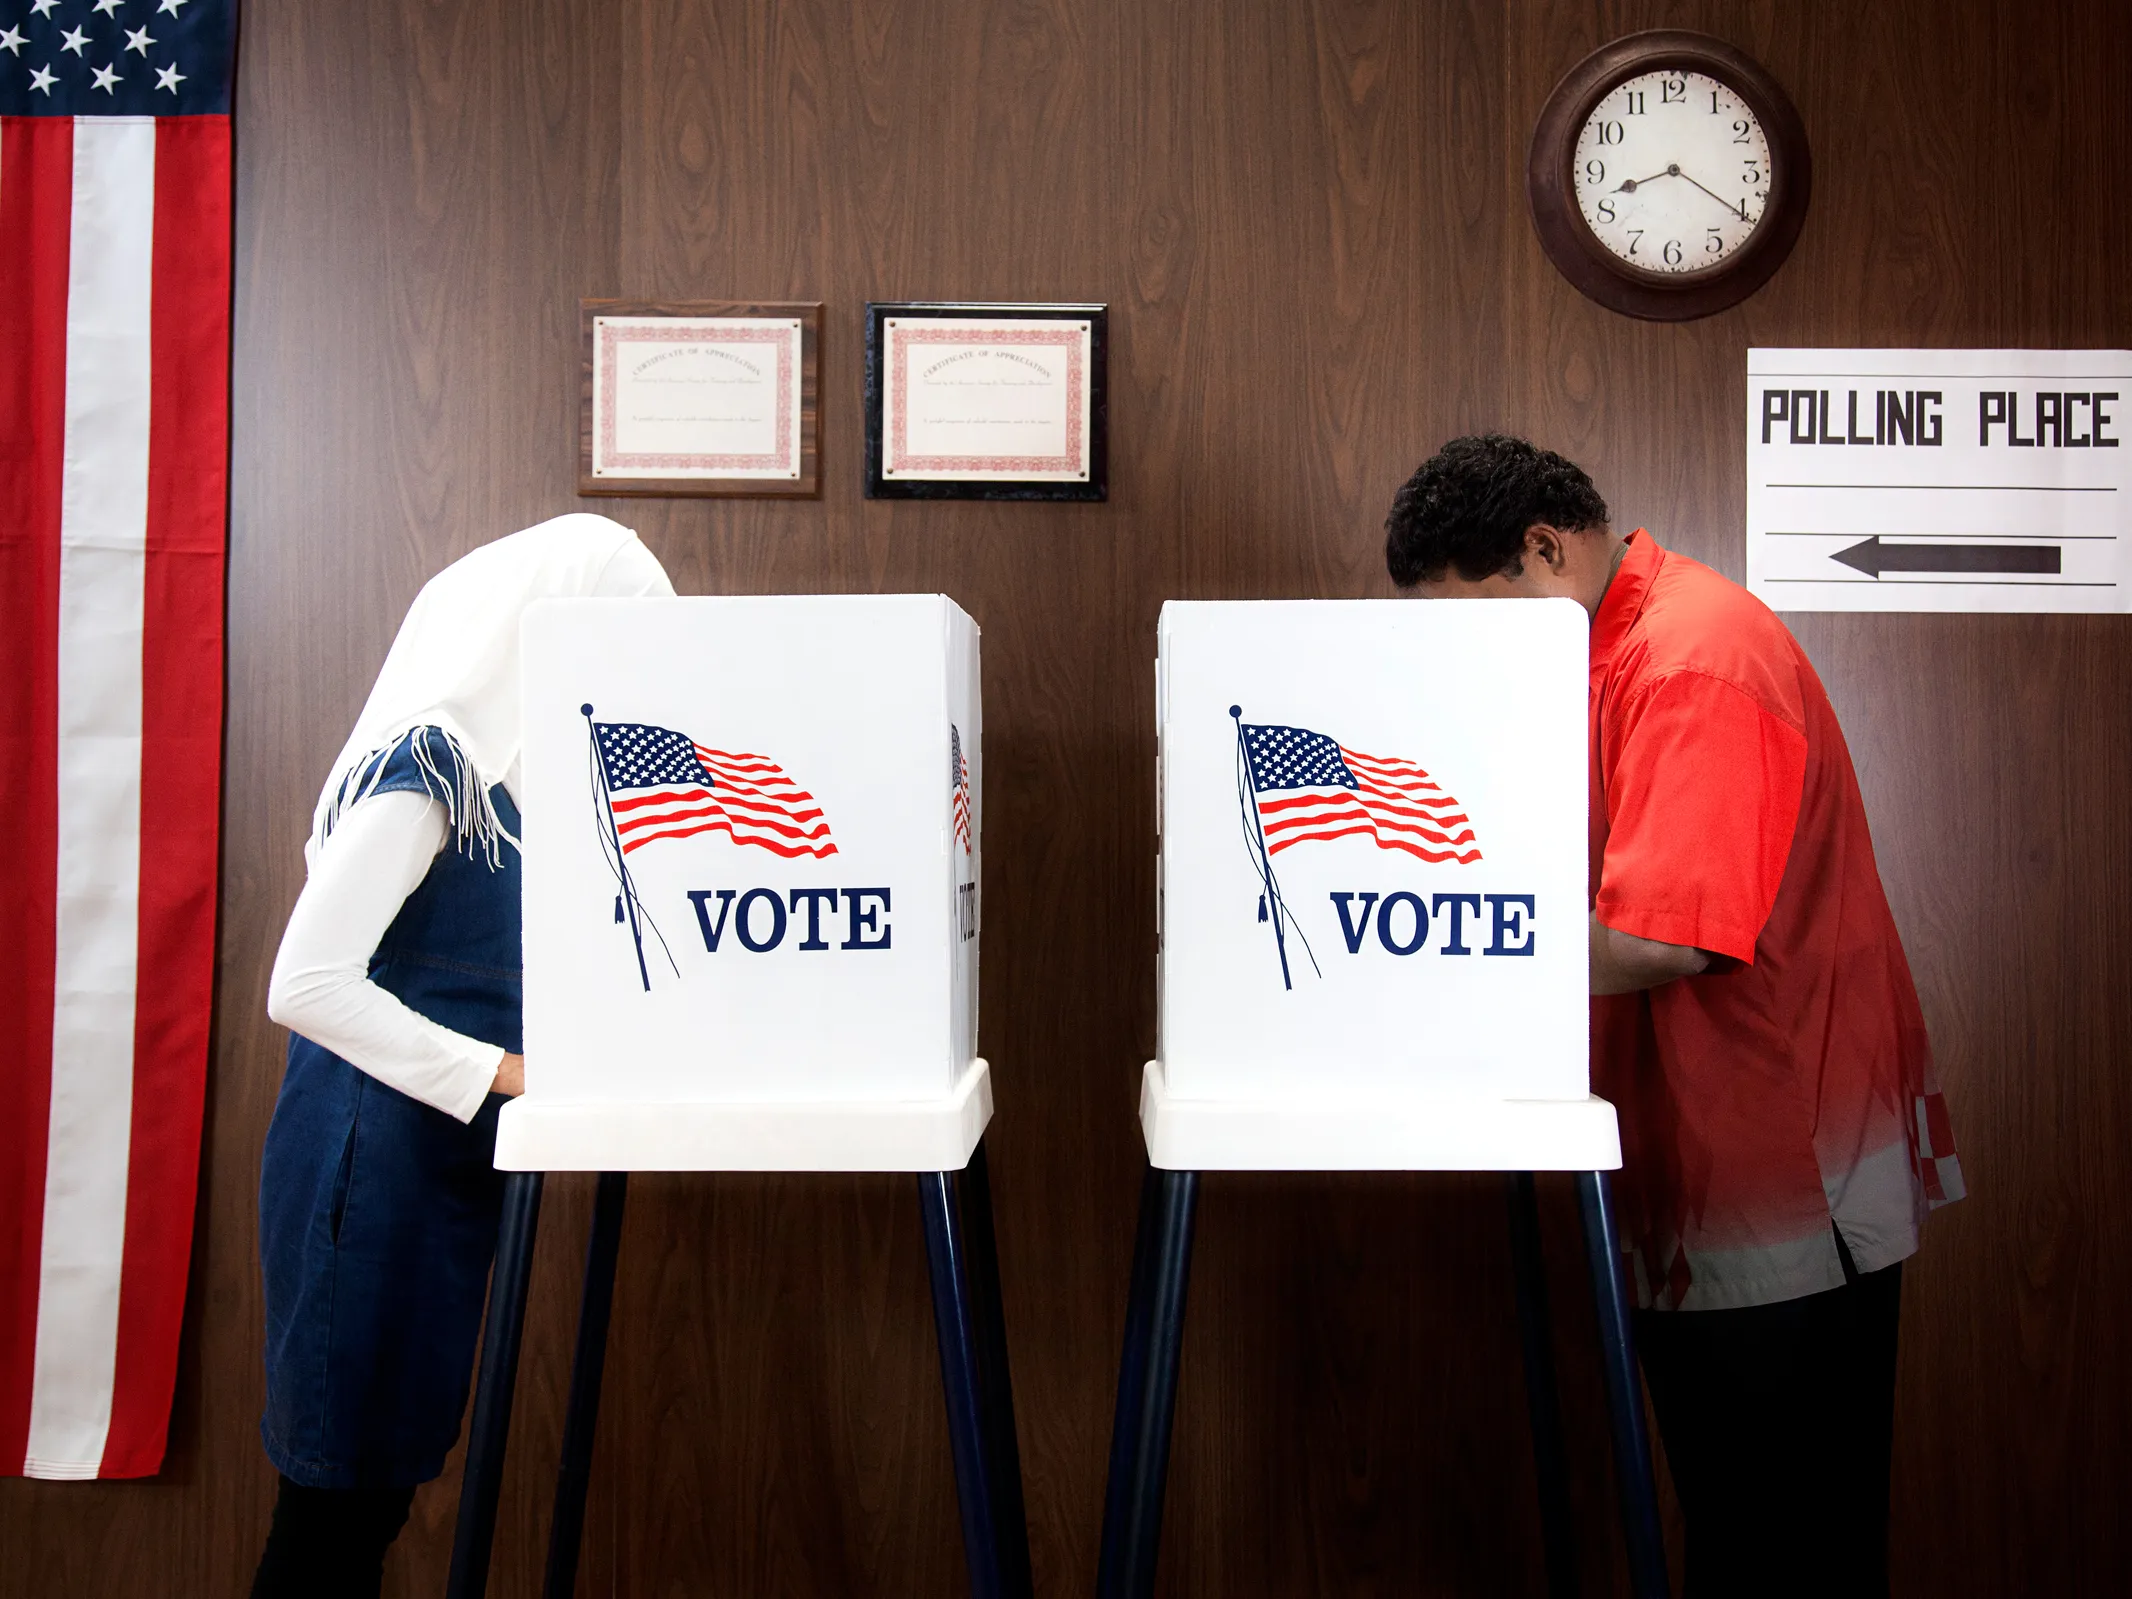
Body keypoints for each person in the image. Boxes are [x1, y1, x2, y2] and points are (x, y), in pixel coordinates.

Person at [1384, 435, 1964, 1598]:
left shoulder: (1690, 657)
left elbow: (1666, 936)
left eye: (1470, 621)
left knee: (1779, 1540)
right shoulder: (1605, 653)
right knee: (1738, 1519)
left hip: (1772, 1162)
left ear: (1543, 550)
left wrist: (1430, 947)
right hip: (1692, 1152)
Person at [252, 514, 674, 1598]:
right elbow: (303, 986)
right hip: (363, 1171)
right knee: (334, 1513)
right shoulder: (427, 772)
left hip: (429, 1172)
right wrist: (510, 1076)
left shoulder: (514, 796)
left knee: (376, 1493)